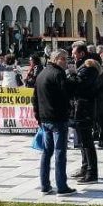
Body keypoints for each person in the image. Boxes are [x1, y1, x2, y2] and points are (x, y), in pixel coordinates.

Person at [32, 49, 75, 195]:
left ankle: (45, 185)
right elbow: (67, 92)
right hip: (58, 119)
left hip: (45, 119)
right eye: (64, 59)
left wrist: (38, 117)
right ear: (56, 59)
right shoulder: (58, 74)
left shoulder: (42, 74)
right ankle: (61, 186)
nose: (66, 62)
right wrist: (72, 76)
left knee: (47, 152)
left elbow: (34, 99)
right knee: (59, 152)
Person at [69, 42, 100, 183]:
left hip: (85, 109)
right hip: (80, 108)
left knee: (87, 142)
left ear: (81, 53)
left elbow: (79, 85)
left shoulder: (88, 67)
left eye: (74, 53)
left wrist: (72, 74)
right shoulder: (82, 66)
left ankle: (92, 172)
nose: (72, 56)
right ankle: (85, 167)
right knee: (82, 141)